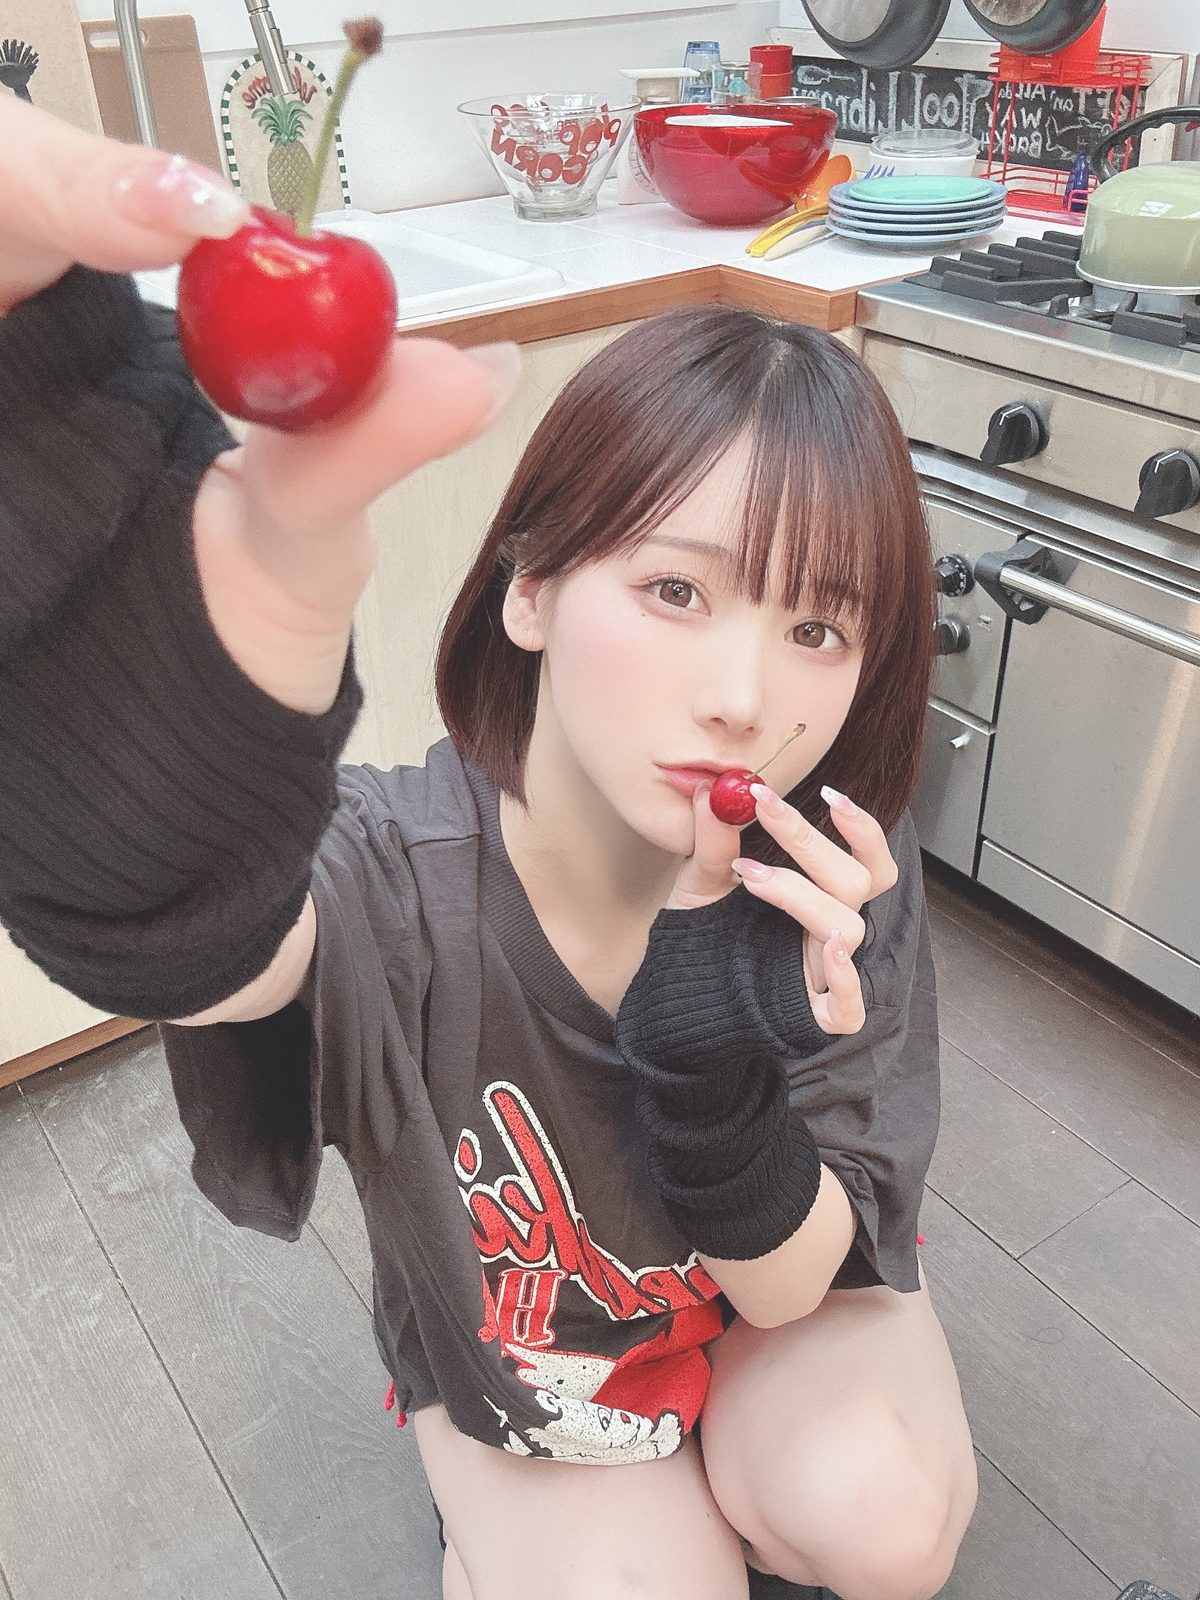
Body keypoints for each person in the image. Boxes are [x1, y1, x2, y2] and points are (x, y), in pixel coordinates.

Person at [0, 95, 979, 1600]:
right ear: (530, 588)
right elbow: (214, 953)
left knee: (879, 1524)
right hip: (528, 1350)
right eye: (675, 591)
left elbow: (794, 1285)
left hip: (764, 1291)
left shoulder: (830, 870)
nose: (744, 698)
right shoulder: (393, 877)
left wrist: (712, 1064)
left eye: (818, 628)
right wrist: (115, 743)